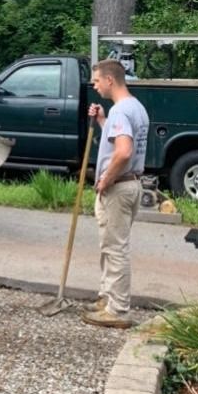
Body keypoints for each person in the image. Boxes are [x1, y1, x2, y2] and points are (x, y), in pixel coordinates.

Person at [84, 59, 150, 329]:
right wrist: (103, 120)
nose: (95, 86)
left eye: (97, 81)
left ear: (110, 80)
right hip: (131, 184)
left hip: (118, 187)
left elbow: (123, 152)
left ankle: (118, 309)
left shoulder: (121, 111)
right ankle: (107, 297)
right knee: (110, 246)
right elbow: (119, 142)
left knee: (115, 249)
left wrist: (106, 179)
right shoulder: (135, 108)